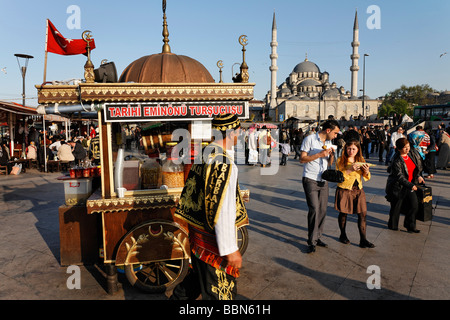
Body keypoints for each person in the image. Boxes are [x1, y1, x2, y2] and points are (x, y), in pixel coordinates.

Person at [171, 113, 248, 300]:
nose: (240, 134)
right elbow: (221, 209)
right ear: (231, 133)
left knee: (197, 279)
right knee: (220, 292)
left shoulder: (206, 152)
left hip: (198, 234)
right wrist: (229, 248)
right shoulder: (223, 162)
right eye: (239, 130)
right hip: (213, 241)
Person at [300, 120, 340, 253]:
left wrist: (331, 156)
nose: (336, 136)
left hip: (324, 179)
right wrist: (319, 155)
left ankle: (318, 237)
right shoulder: (309, 139)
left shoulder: (328, 143)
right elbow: (302, 159)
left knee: (323, 210)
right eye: (335, 133)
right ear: (328, 130)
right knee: (314, 209)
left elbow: (328, 163)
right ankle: (311, 241)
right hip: (310, 178)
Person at [335, 139, 374, 248]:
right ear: (345, 148)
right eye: (349, 148)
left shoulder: (360, 159)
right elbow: (339, 176)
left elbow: (366, 176)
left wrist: (366, 172)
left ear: (358, 149)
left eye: (353, 149)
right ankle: (342, 234)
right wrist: (350, 169)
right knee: (343, 213)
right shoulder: (340, 160)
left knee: (362, 214)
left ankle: (363, 239)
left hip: (358, 190)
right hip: (344, 189)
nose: (351, 151)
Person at [385, 137, 424, 233]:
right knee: (396, 207)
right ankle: (393, 225)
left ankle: (410, 225)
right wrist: (411, 185)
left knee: (414, 205)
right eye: (405, 147)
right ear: (398, 149)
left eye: (408, 146)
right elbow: (399, 176)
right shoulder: (396, 160)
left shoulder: (411, 155)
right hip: (398, 187)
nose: (407, 149)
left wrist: (418, 176)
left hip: (410, 185)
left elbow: (415, 169)